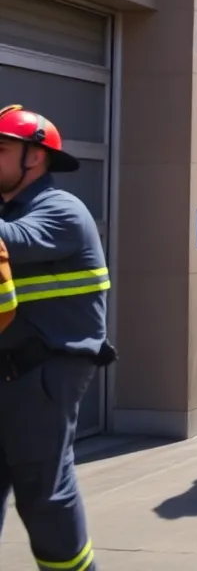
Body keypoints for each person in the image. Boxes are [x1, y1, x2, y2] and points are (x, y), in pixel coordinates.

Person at [0, 104, 115, 571]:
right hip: (9, 370)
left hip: (46, 371)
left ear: (35, 158)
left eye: (1, 149)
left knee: (42, 489)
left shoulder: (61, 210)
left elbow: (10, 240)